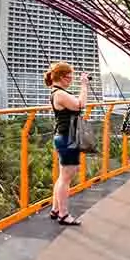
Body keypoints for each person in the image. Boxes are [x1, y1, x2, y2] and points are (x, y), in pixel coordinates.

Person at [45, 61, 88, 226]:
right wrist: (84, 86)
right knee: (66, 178)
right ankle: (63, 214)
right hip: (67, 137)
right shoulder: (60, 93)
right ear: (62, 77)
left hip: (65, 136)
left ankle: (56, 209)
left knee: (64, 176)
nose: (71, 79)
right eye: (69, 77)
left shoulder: (58, 92)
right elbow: (80, 105)